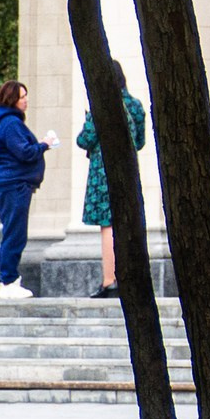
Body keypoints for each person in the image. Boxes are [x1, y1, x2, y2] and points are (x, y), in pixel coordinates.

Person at [75, 61, 148, 300]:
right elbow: (139, 142)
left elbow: (84, 140)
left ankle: (110, 280)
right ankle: (131, 279)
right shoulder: (135, 106)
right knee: (126, 223)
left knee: (108, 225)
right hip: (128, 170)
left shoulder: (101, 106)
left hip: (103, 172)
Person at [0, 81, 56, 300]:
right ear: (11, 100)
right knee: (15, 234)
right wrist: (45, 144)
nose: (26, 100)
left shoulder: (9, 123)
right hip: (14, 185)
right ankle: (8, 281)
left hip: (15, 185)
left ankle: (10, 279)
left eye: (26, 95)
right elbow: (25, 153)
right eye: (21, 96)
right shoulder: (10, 124)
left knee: (15, 232)